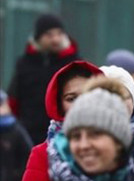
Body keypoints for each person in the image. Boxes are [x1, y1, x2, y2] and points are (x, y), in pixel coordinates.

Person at [7, 13, 80, 144]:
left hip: (64, 133)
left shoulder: (73, 63)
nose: (55, 39)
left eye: (59, 34)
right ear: (38, 37)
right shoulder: (24, 64)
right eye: (49, 35)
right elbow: (13, 100)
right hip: (29, 135)